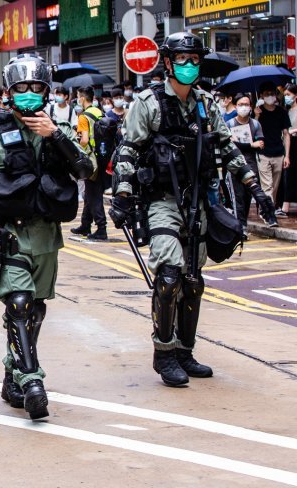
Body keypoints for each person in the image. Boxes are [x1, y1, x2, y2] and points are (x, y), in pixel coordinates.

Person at [110, 32, 278, 387]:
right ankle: (165, 352)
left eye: (195, 60)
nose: (189, 66)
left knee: (193, 281)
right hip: (162, 202)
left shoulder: (205, 103)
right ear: (168, 63)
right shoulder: (149, 102)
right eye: (182, 60)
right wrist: (123, 194)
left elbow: (228, 150)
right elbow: (128, 149)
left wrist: (257, 191)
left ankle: (186, 351)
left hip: (199, 200)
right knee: (169, 276)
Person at [0, 54, 92, 420]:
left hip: (46, 237)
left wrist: (56, 137)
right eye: (21, 88)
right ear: (9, 93)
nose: (28, 94)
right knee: (20, 303)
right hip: (7, 235)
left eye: (35, 88)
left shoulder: (59, 131)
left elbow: (86, 168)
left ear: (46, 91)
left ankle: (13, 371)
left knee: (35, 309)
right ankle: (32, 381)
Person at [71, 86, 108, 241]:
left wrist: (76, 141)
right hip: (102, 157)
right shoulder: (99, 112)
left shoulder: (83, 117)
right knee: (90, 191)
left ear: (82, 98)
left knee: (93, 194)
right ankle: (85, 224)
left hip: (91, 159)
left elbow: (85, 140)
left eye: (78, 97)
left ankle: (101, 228)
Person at [226, 94, 264, 237]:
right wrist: (250, 144)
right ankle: (239, 228)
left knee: (248, 197)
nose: (244, 107)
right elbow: (231, 144)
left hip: (251, 165)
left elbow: (260, 144)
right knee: (238, 197)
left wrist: (247, 145)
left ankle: (243, 225)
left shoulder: (255, 124)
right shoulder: (229, 124)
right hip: (234, 166)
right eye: (241, 104)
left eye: (247, 104)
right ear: (235, 106)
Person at [253, 82, 291, 213]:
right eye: (267, 94)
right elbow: (253, 131)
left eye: (272, 94)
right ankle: (269, 212)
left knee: (275, 185)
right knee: (266, 185)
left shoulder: (282, 112)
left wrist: (287, 156)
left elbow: (286, 134)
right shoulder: (258, 112)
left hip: (279, 153)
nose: (270, 96)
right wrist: (256, 116)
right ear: (262, 96)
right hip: (263, 153)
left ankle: (269, 206)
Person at [282, 84, 297, 214]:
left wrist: (292, 131)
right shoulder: (285, 111)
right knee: (288, 174)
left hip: (296, 143)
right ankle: (285, 205)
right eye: (285, 95)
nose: (286, 97)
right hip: (287, 144)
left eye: (289, 95)